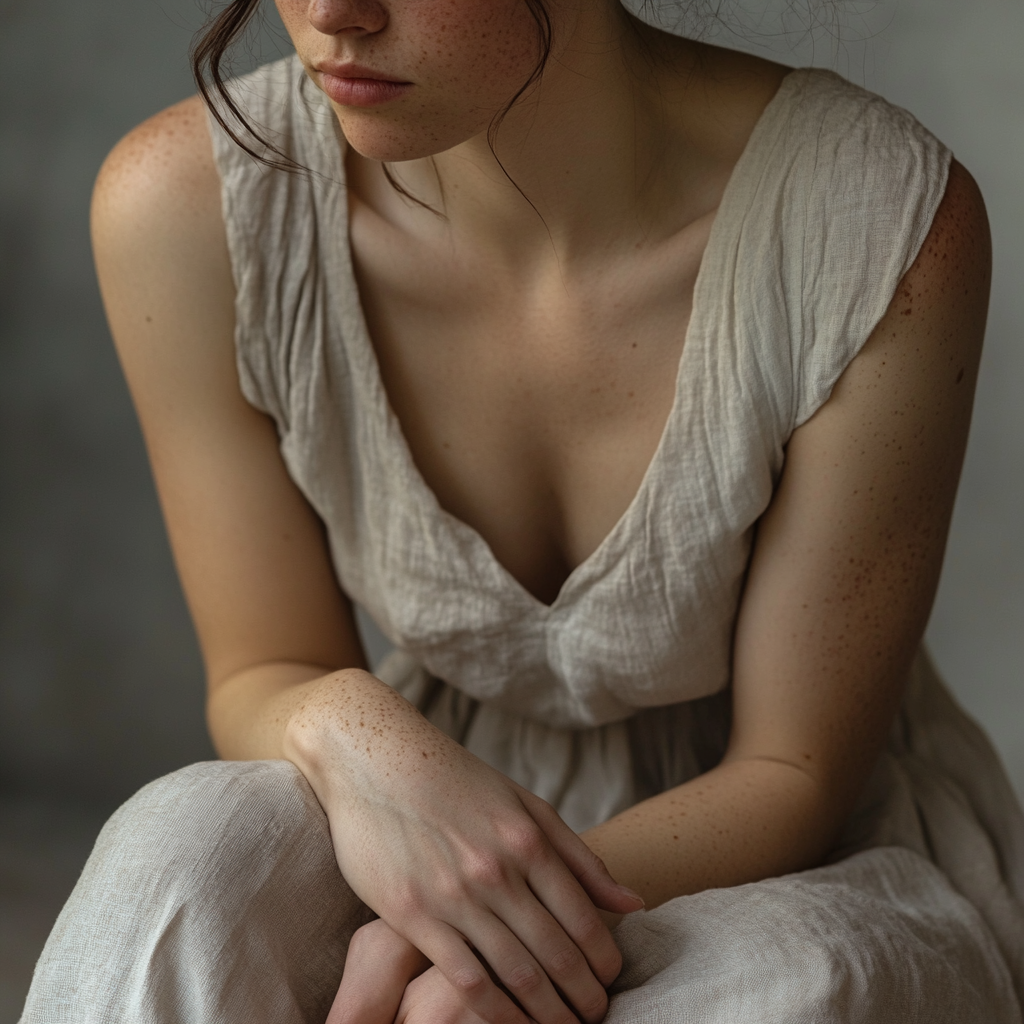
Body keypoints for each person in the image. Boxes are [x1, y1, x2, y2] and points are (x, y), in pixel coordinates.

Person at [19, 0, 1024, 1021]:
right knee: (182, 851)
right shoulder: (190, 205)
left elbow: (791, 773)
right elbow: (261, 669)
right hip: (417, 809)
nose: (329, 14)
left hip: (794, 856)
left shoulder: (875, 223)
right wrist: (345, 726)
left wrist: (493, 944)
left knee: (796, 984)